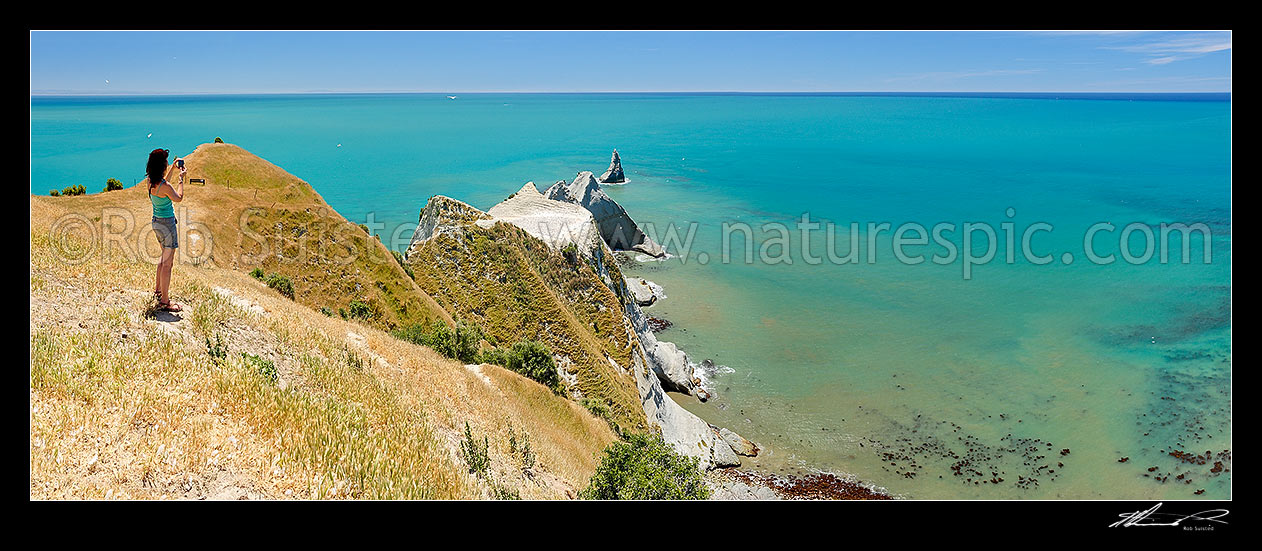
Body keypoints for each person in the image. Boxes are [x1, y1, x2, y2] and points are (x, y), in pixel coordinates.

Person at [145, 148, 186, 312]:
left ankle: (158, 291)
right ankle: (165, 301)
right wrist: (181, 179)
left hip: (156, 223)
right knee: (168, 263)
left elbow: (164, 183)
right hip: (167, 225)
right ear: (161, 166)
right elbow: (179, 198)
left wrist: (172, 170)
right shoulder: (166, 186)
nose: (168, 164)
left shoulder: (150, 181)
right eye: (166, 163)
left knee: (163, 259)